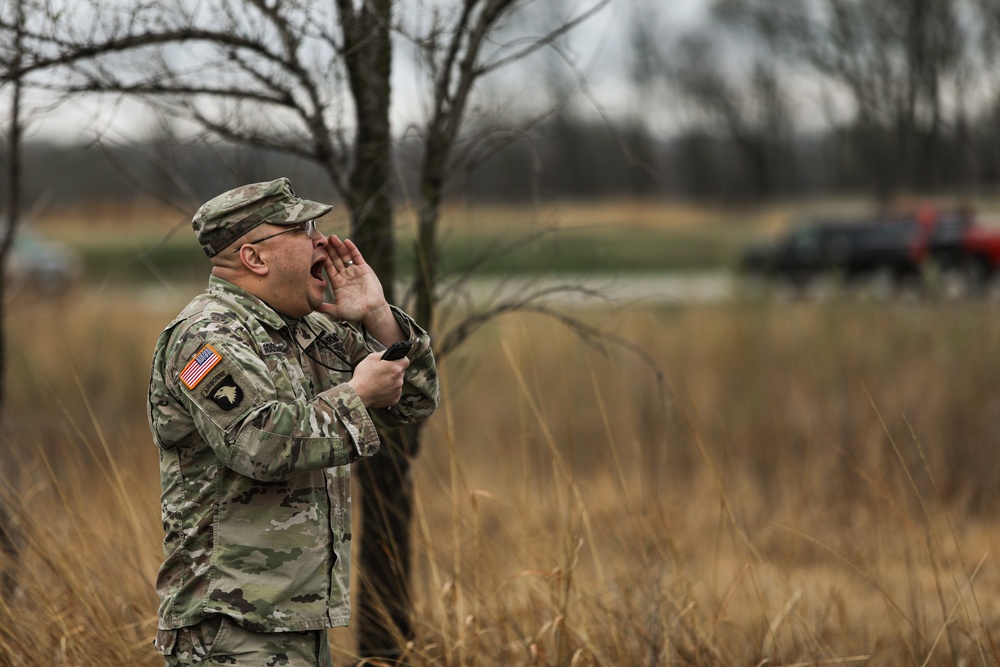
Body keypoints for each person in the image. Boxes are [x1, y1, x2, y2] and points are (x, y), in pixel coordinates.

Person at [147, 177, 439, 666]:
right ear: (254, 258)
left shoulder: (309, 330)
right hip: (231, 629)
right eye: (303, 229)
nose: (322, 242)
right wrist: (357, 394)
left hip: (298, 621)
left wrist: (376, 316)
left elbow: (413, 400)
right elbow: (261, 443)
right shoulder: (205, 338)